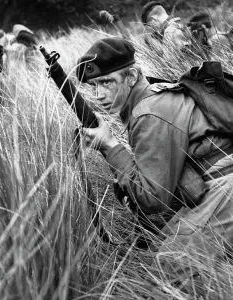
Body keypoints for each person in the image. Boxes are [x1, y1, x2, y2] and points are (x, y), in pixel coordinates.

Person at [77, 37, 233, 298]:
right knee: (168, 244)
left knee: (172, 265)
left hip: (226, 184)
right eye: (93, 86)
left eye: (106, 82)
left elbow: (152, 198)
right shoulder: (152, 95)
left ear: (132, 76)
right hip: (219, 182)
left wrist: (110, 147)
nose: (99, 95)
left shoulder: (150, 112)